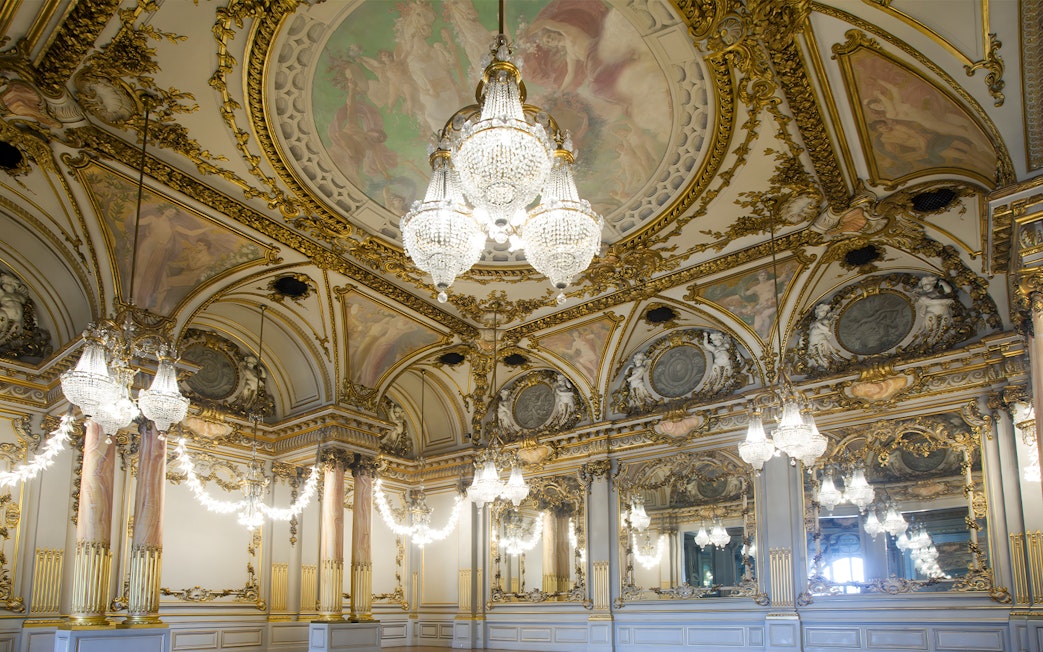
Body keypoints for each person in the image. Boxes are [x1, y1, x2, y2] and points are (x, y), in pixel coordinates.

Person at [806, 303, 841, 370]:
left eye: (825, 311)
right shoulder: (813, 322)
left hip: (820, 340)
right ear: (817, 312)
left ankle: (825, 365)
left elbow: (827, 329)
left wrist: (818, 324)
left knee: (821, 355)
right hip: (812, 340)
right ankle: (819, 365)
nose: (824, 313)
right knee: (814, 354)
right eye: (822, 310)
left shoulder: (824, 321)